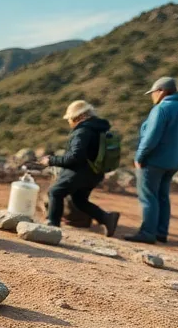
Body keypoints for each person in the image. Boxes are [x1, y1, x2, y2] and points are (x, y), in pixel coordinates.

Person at [125, 76, 178, 244]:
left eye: (153, 93)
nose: (152, 96)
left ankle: (147, 233)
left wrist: (139, 157)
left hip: (153, 162)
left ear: (162, 92)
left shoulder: (161, 109)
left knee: (148, 196)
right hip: (172, 163)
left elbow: (151, 138)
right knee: (162, 196)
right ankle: (161, 232)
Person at [40, 101, 121, 237]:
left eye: (70, 119)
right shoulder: (99, 128)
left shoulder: (83, 131)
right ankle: (107, 218)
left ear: (78, 117)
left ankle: (52, 225)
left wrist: (51, 160)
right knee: (79, 200)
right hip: (95, 173)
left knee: (55, 192)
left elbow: (75, 157)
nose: (69, 122)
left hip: (80, 172)